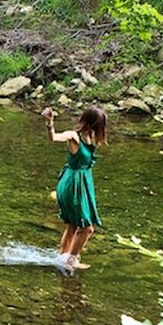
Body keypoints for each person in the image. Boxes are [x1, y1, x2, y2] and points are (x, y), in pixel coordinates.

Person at [41, 105, 107, 272]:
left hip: (84, 182)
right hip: (73, 183)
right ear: (91, 123)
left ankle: (61, 259)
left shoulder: (90, 137)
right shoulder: (74, 137)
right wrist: (50, 123)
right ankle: (71, 260)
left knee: (72, 225)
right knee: (87, 228)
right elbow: (54, 138)